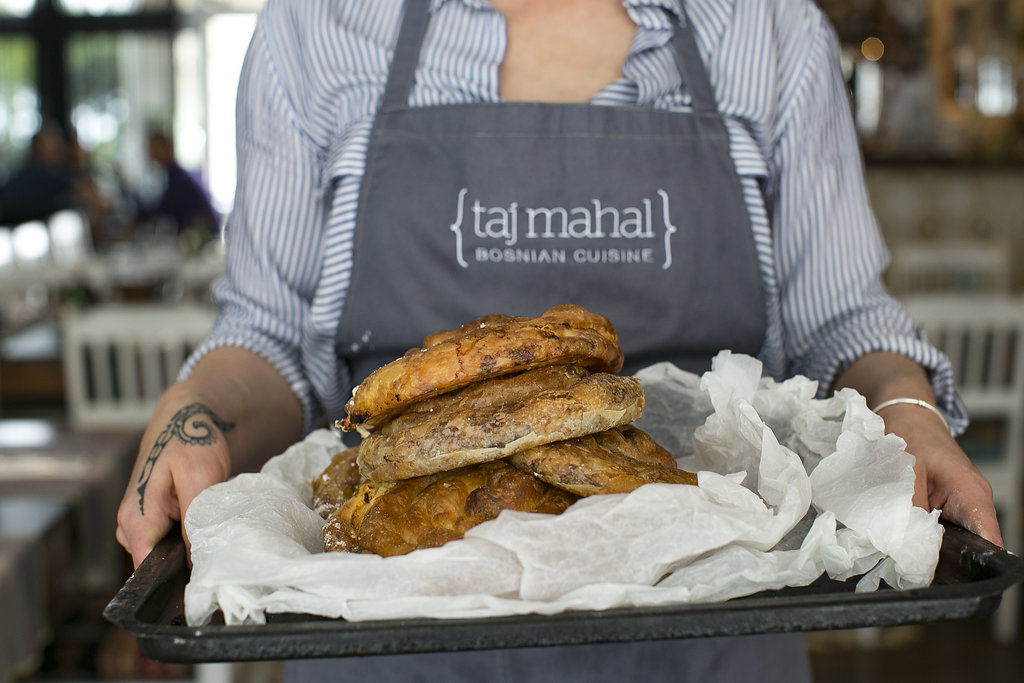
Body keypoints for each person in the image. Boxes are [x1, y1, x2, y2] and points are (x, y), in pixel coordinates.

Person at [115, 0, 1001, 680]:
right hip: (385, 641)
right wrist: (196, 414)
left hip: (711, 626)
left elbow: (841, 319)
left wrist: (909, 412)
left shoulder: (764, 27)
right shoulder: (318, 28)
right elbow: (267, 336)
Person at [131, 129, 220, 243]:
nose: (151, 154)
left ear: (168, 148)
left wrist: (140, 215)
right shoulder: (172, 174)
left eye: (155, 148)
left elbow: (166, 207)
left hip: (204, 235)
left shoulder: (178, 177)